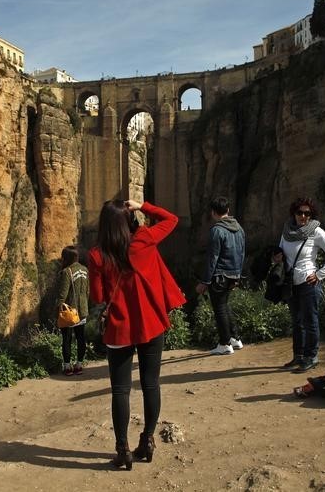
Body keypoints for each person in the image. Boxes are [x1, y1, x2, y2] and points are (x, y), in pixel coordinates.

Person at [88, 199, 186, 470]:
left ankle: (123, 450)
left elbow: (97, 297)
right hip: (151, 323)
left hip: (119, 328)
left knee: (120, 390)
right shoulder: (144, 239)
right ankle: (148, 441)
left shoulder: (97, 255)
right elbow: (171, 219)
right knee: (150, 384)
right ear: (127, 220)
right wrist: (142, 205)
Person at [275, 197, 325, 372]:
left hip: (308, 282)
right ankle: (299, 356)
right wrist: (277, 257)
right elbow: (281, 250)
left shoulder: (316, 232)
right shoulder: (286, 231)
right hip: (291, 282)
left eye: (307, 213)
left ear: (311, 215)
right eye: (300, 212)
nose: (303, 216)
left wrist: (320, 274)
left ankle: (311, 357)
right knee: (297, 321)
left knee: (310, 321)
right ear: (293, 213)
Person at [195, 197, 246, 355]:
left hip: (219, 276)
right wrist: (237, 275)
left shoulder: (217, 230)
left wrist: (205, 281)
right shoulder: (239, 228)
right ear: (228, 210)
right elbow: (242, 253)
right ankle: (235, 339)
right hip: (233, 274)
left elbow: (213, 258)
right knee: (224, 305)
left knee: (220, 309)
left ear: (213, 212)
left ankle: (224, 343)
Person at [56, 246, 90, 375]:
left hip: (69, 311)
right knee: (81, 338)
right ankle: (79, 365)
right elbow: (87, 291)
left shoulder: (67, 271)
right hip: (83, 310)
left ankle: (67, 366)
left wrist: (58, 309)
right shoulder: (85, 270)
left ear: (66, 258)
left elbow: (63, 294)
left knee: (67, 339)